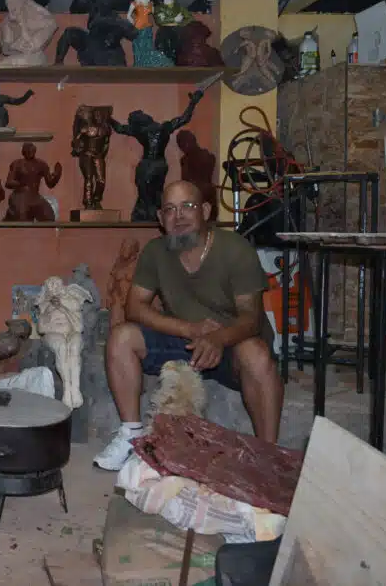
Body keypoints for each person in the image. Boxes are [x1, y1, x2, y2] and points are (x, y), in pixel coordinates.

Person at [93, 180, 283, 472]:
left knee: (256, 355)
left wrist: (219, 338)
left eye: (187, 207)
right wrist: (189, 330)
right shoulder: (156, 252)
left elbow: (251, 317)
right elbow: (135, 307)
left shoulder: (235, 249)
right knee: (121, 337)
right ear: (160, 219)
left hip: (232, 343)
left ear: (205, 211)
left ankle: (269, 457)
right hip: (184, 342)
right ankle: (131, 436)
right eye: (169, 210)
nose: (178, 217)